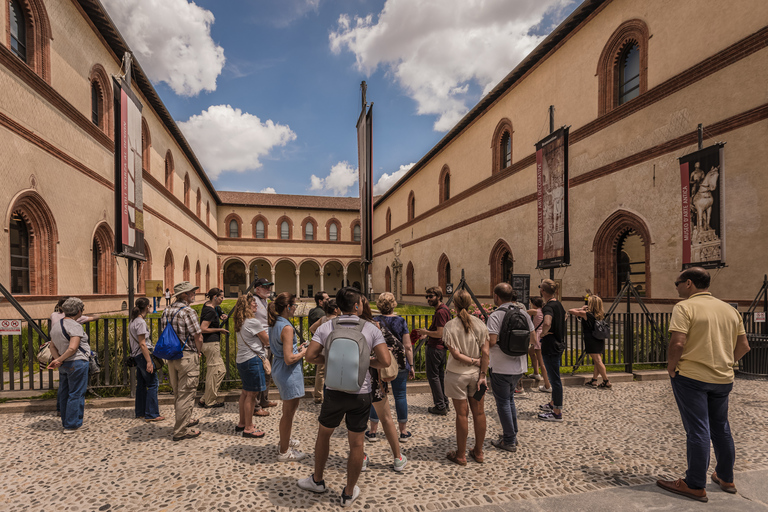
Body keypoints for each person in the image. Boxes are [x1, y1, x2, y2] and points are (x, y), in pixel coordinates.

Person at [656, 268, 750, 502]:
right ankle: (726, 477)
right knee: (721, 428)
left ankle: (695, 484)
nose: (676, 287)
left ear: (689, 283)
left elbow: (677, 343)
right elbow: (744, 346)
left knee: (697, 429)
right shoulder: (729, 310)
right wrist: (726, 361)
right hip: (722, 378)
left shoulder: (685, 307)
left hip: (692, 377)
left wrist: (671, 367)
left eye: (677, 283)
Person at [299, 287, 391, 507]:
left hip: (334, 392)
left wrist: (330, 362)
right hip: (360, 392)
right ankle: (348, 493)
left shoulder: (327, 326)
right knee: (357, 444)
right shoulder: (370, 328)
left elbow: (311, 356)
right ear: (358, 305)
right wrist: (364, 363)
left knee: (324, 435)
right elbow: (385, 361)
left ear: (338, 306)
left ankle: (318, 480)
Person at [359, 296, 407, 471]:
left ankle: (361, 457)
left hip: (351, 381)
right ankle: (397, 458)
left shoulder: (342, 326)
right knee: (386, 418)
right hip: (373, 381)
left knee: (356, 421)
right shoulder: (374, 326)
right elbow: (398, 347)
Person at [441, 290, 489, 465]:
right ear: (470, 303)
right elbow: (486, 353)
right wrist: (482, 372)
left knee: (462, 415)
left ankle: (460, 455)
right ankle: (479, 452)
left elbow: (455, 355)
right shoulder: (481, 325)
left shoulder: (450, 326)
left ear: (454, 304)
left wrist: (472, 361)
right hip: (477, 377)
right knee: (479, 413)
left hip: (457, 376)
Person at [487, 283, 535, 452]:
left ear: (496, 297)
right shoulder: (523, 312)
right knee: (510, 400)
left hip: (501, 365)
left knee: (503, 403)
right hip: (519, 365)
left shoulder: (496, 315)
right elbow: (533, 339)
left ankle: (508, 440)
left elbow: (492, 341)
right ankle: (512, 434)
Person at [368, 292, 414, 443]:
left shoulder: (374, 321)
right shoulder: (401, 321)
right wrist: (411, 365)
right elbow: (407, 346)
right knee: (400, 396)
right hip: (399, 362)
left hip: (380, 362)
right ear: (394, 304)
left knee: (377, 395)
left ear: (379, 305)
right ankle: (403, 431)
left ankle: (373, 431)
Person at [161, 281, 204, 441]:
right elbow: (198, 336)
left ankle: (185, 420)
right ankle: (181, 431)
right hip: (186, 356)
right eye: (192, 292)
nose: (194, 294)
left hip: (171, 356)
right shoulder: (188, 311)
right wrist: (199, 351)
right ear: (184, 295)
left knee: (179, 392)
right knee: (187, 394)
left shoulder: (166, 311)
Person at [268, 292, 308, 461]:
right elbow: (289, 358)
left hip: (280, 368)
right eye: (294, 306)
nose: (295, 308)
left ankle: (285, 440)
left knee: (288, 411)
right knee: (288, 413)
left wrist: (296, 349)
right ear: (287, 307)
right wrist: (304, 352)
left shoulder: (276, 323)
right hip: (288, 372)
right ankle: (284, 451)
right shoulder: (287, 327)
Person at [47, 297, 90, 433]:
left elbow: (52, 346)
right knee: (76, 394)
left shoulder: (56, 326)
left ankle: (66, 422)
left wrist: (58, 359)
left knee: (65, 393)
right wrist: (61, 358)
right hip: (77, 362)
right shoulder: (75, 325)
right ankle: (72, 425)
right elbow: (73, 348)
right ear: (78, 310)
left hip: (64, 364)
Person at [231, 293, 268, 438]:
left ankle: (242, 423)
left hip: (242, 360)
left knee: (245, 393)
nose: (256, 304)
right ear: (247, 306)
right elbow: (266, 341)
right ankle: (248, 427)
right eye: (253, 302)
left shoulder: (241, 321)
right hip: (253, 360)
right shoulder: (253, 322)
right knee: (252, 395)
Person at [413, 286, 451, 415]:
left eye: (431, 296)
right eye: (427, 296)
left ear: (439, 296)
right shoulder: (444, 309)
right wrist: (428, 333)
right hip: (441, 349)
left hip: (435, 348)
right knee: (439, 377)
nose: (428, 299)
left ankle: (440, 406)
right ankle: (444, 403)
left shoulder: (441, 312)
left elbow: (440, 333)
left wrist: (426, 332)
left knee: (433, 377)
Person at [129, 297, 164, 422]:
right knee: (153, 384)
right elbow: (143, 344)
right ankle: (152, 414)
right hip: (143, 356)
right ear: (148, 307)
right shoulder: (141, 322)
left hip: (137, 356)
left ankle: (140, 412)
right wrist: (149, 361)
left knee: (142, 385)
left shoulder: (132, 321)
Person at [537, 279, 566, 422]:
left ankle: (557, 412)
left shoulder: (548, 307)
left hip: (550, 346)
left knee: (555, 380)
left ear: (542, 291)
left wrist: (543, 333)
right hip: (559, 344)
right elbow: (564, 317)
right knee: (555, 376)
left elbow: (547, 322)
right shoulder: (559, 305)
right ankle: (553, 403)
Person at [569, 296, 611, 389]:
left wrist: (582, 308)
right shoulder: (600, 314)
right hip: (599, 338)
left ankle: (606, 381)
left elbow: (570, 311)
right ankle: (594, 380)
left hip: (591, 339)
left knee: (598, 361)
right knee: (597, 360)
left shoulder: (586, 314)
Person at [198, 288, 229, 408]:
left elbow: (218, 311)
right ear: (215, 297)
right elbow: (203, 328)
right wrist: (220, 329)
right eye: (221, 297)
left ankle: (204, 398)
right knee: (215, 372)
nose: (222, 299)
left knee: (220, 371)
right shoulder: (210, 311)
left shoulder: (211, 307)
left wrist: (222, 315)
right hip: (211, 344)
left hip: (211, 344)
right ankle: (209, 401)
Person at [253, 278, 278, 415]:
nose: (269, 289)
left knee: (267, 373)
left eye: (269, 286)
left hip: (268, 341)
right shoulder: (254, 301)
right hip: (260, 342)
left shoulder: (264, 300)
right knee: (260, 373)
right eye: (265, 287)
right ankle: (256, 406)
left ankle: (264, 399)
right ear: (257, 289)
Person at [309, 298, 339, 404]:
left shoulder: (323, 319)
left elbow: (312, 328)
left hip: (324, 350)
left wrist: (319, 338)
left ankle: (318, 396)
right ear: (335, 309)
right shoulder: (338, 320)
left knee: (321, 373)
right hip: (336, 351)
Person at [527, 297, 551, 392]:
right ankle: (536, 373)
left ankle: (547, 385)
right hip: (542, 335)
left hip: (538, 335)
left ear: (534, 304)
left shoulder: (535, 311)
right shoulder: (545, 311)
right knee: (531, 352)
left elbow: (525, 312)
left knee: (542, 362)